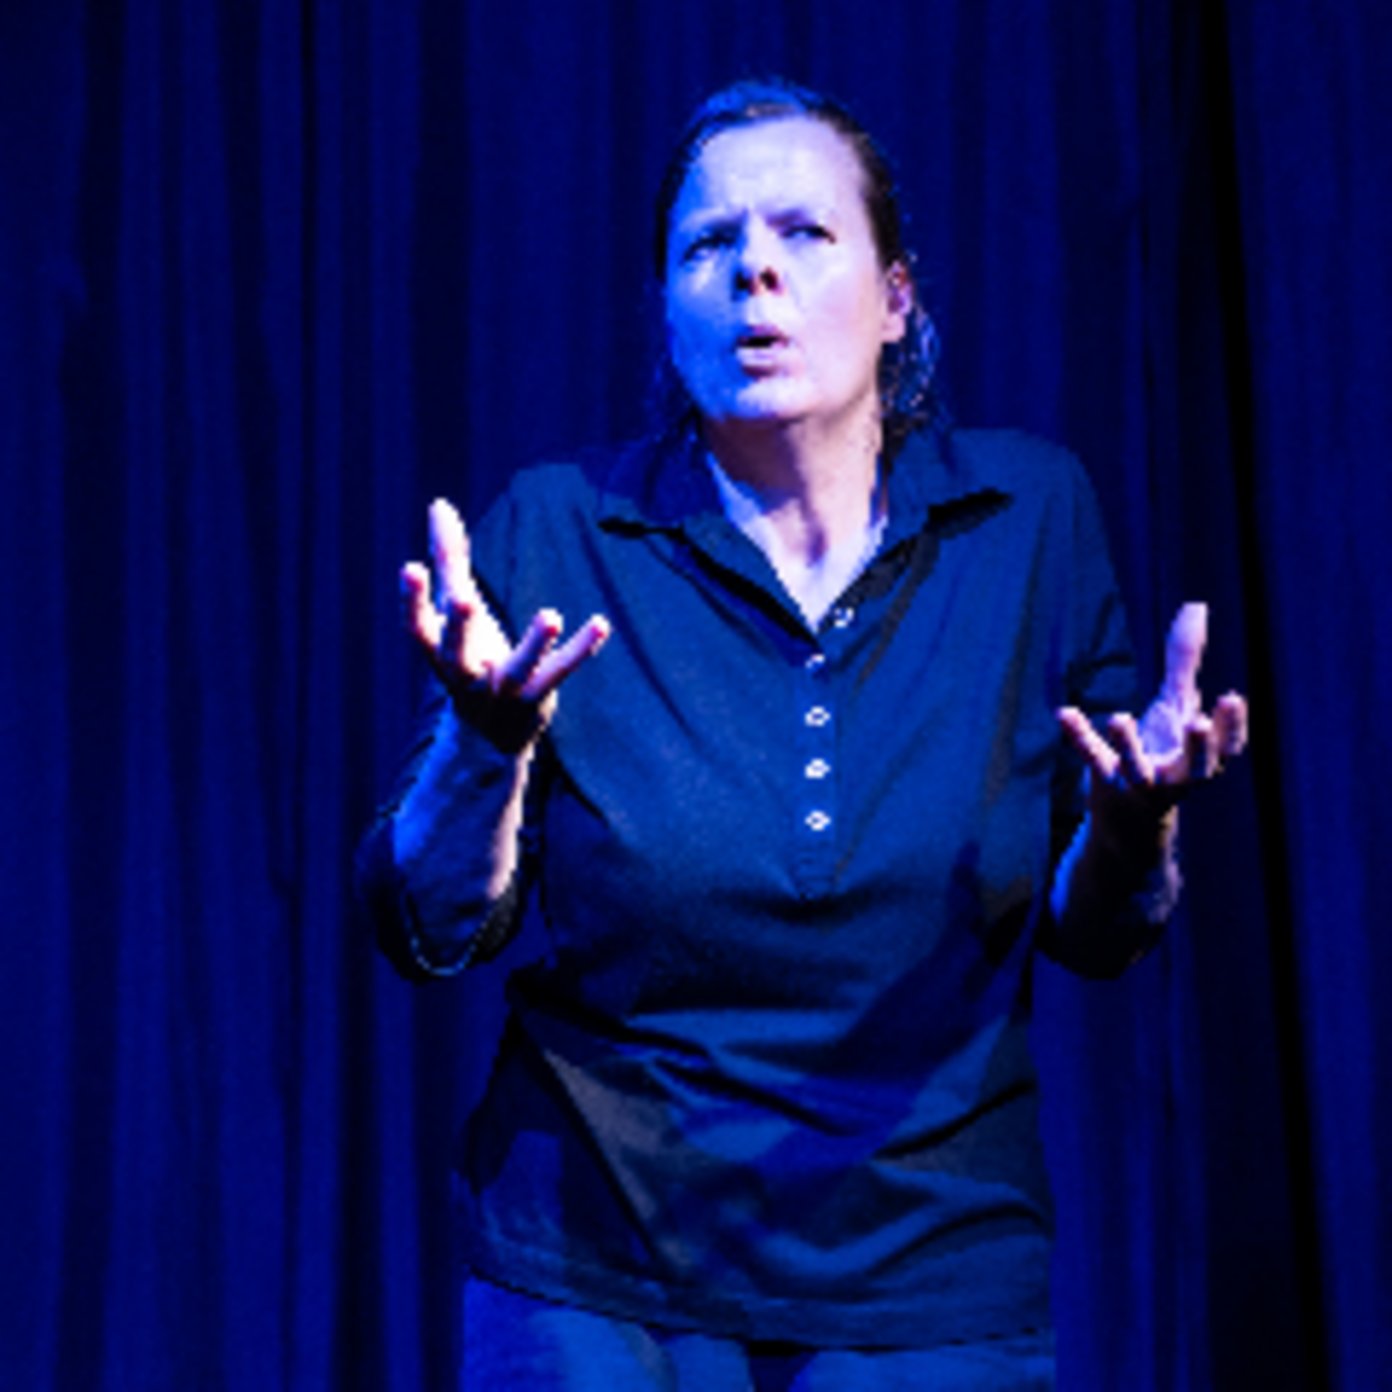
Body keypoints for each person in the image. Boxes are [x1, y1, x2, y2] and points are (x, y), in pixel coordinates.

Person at [358, 78, 1248, 1390]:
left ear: (896, 299)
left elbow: (1100, 929)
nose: (752, 272)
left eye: (802, 233)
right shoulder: (557, 530)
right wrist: (486, 743)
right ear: (668, 309)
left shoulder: (1029, 521)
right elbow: (426, 924)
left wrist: (1134, 823)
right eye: (708, 246)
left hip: (932, 1270)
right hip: (599, 1266)